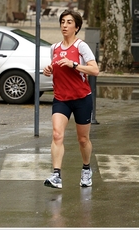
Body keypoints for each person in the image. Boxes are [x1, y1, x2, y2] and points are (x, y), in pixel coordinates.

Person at [43, 10, 100, 189]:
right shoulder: (54, 48)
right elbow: (56, 68)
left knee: (83, 139)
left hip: (82, 98)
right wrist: (49, 70)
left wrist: (74, 64)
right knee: (57, 134)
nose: (64, 25)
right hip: (61, 98)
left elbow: (95, 70)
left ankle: (86, 169)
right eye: (62, 22)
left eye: (69, 22)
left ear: (76, 27)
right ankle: (57, 175)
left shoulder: (81, 46)